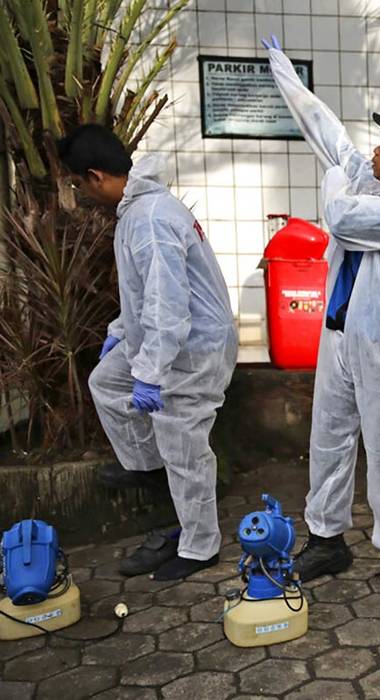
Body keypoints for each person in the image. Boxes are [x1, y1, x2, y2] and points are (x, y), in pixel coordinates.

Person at [263, 36, 380, 599]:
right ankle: (327, 539)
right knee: (329, 438)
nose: (376, 146)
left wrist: (341, 181)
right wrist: (288, 79)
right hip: (341, 335)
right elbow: (330, 137)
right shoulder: (375, 182)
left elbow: (341, 219)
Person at [58, 125, 238, 581]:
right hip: (166, 338)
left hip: (193, 348)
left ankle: (200, 546)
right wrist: (121, 333)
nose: (80, 193)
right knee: (106, 381)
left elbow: (167, 304)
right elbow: (142, 295)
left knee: (185, 443)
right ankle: (147, 465)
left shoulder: (151, 219)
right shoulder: (137, 211)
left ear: (96, 176)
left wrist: (151, 373)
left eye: (79, 183)